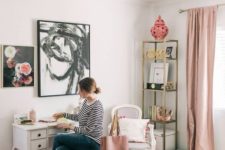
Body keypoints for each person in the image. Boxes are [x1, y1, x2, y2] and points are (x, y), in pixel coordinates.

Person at [52, 77, 103, 150]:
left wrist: (70, 126)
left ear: (86, 90)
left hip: (92, 141)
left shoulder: (96, 106)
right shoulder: (86, 101)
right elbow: (79, 117)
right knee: (60, 149)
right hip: (83, 137)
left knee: (58, 137)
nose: (78, 92)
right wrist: (63, 114)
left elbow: (89, 130)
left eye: (80, 90)